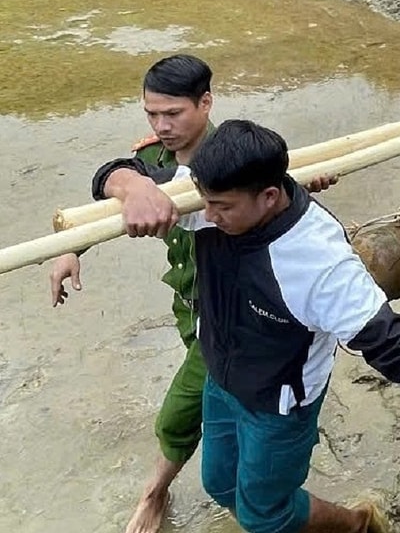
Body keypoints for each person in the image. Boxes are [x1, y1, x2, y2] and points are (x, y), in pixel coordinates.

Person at [89, 119, 400, 533]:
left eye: (221, 208)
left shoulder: (318, 263)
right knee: (218, 483)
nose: (206, 218)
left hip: (280, 405)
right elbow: (113, 172)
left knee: (262, 515)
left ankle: (358, 524)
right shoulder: (211, 192)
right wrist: (132, 188)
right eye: (204, 203)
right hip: (222, 378)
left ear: (270, 196)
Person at [48, 55, 334, 533]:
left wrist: (302, 187)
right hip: (191, 309)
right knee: (223, 426)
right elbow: (111, 178)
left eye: (173, 114)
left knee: (180, 412)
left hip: (236, 319)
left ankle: (153, 493)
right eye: (151, 115)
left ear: (206, 103)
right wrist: (76, 243)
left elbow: (291, 222)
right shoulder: (159, 160)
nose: (161, 126)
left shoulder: (239, 160)